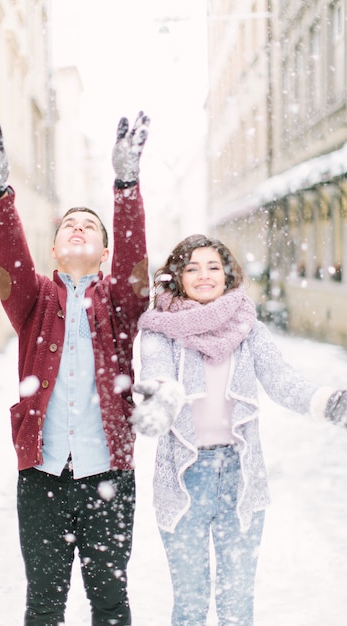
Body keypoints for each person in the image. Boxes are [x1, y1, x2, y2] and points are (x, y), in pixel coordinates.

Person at [0, 112, 150, 626]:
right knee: (44, 607)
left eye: (89, 226)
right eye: (69, 224)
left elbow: (137, 258)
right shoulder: (34, 300)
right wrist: (0, 195)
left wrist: (126, 186)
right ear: (53, 249)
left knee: (111, 607)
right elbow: (11, 260)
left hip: (108, 479)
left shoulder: (120, 302)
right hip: (42, 477)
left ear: (104, 252)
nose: (78, 227)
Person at [132, 234, 347, 626]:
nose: (204, 276)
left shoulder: (248, 328)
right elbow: (157, 374)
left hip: (241, 477)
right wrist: (159, 402)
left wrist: (328, 402)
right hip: (183, 481)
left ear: (227, 275)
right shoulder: (161, 331)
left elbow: (281, 380)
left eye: (213, 267)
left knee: (236, 608)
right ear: (177, 276)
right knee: (191, 606)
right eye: (192, 268)